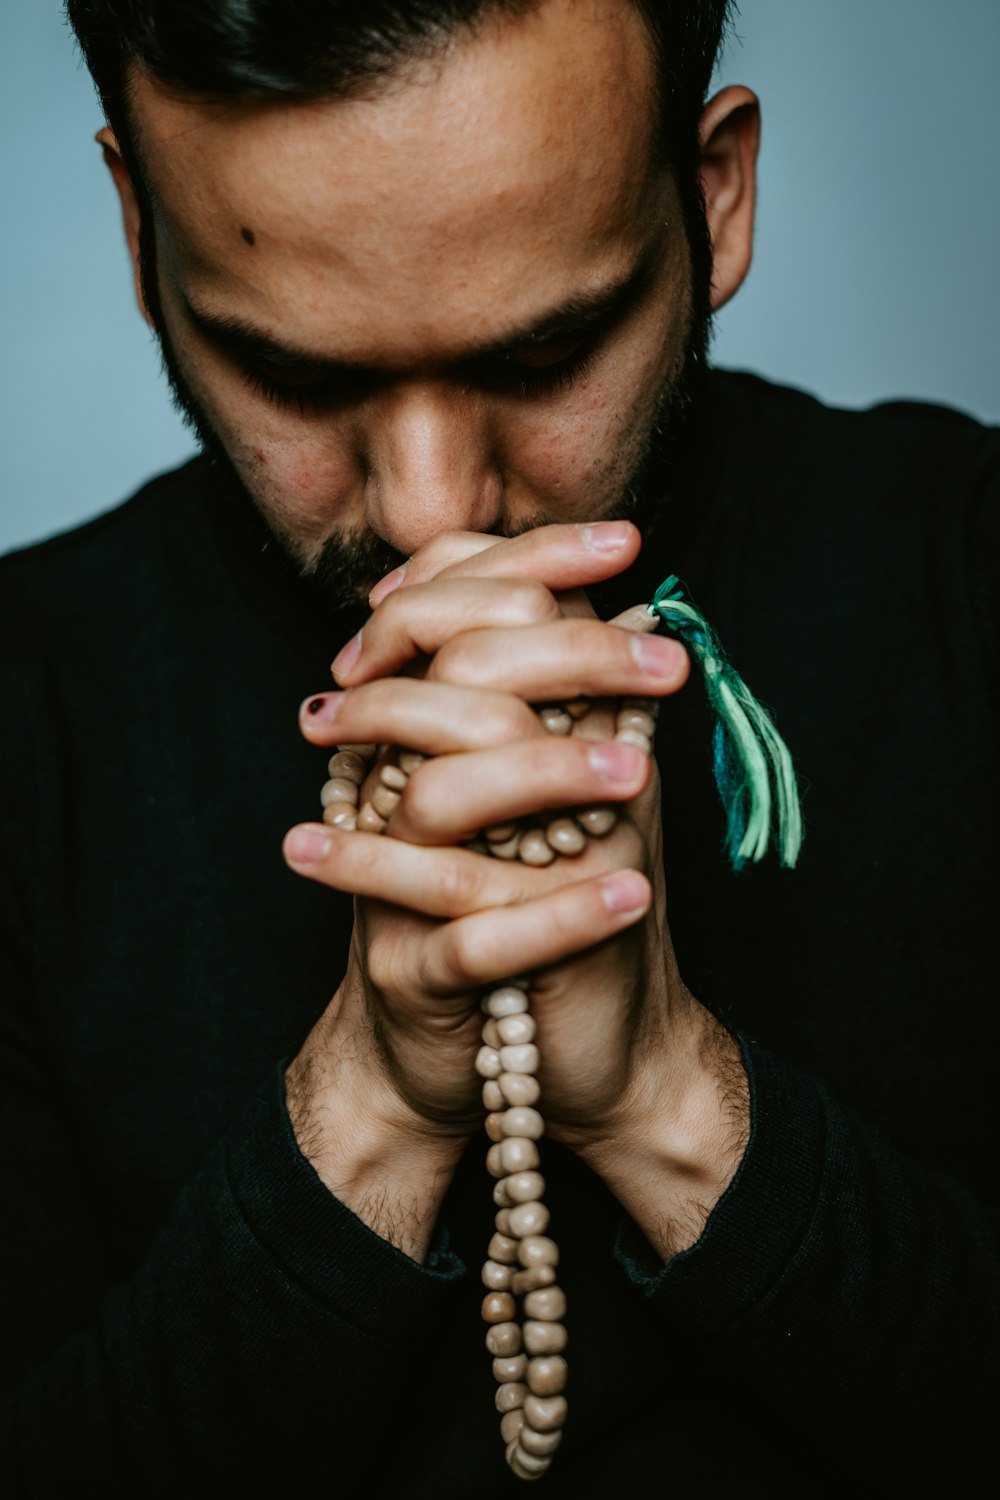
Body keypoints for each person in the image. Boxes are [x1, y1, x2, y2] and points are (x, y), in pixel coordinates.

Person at [1, 1, 995, 1493]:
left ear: (713, 195)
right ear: (142, 234)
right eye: (301, 376)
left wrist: (671, 1099)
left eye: (545, 354)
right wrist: (369, 1115)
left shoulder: (965, 563)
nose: (426, 510)